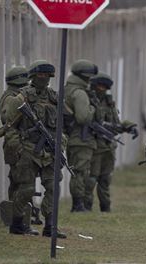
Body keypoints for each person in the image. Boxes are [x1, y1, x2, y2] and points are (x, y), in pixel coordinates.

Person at [0, 61, 67, 238]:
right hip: (28, 150)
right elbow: (10, 127)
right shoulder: (20, 98)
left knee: (53, 186)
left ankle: (51, 225)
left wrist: (60, 144)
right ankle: (18, 222)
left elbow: (63, 125)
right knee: (26, 189)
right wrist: (18, 148)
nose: (43, 79)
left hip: (49, 151)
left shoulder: (55, 98)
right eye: (40, 75)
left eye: (46, 76)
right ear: (32, 77)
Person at [84, 73, 138, 212]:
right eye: (100, 86)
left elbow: (117, 123)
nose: (102, 89)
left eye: (105, 87)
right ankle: (86, 207)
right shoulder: (88, 102)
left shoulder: (109, 103)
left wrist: (130, 126)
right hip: (96, 147)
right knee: (91, 179)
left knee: (105, 180)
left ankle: (105, 208)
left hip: (109, 147)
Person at [0, 66, 40, 236]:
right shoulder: (12, 98)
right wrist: (20, 148)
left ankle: (19, 222)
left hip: (14, 146)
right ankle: (19, 222)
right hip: (17, 146)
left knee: (17, 184)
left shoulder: (10, 96)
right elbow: (10, 123)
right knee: (25, 185)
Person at [64, 59, 98, 212]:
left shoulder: (67, 89)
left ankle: (78, 204)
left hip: (72, 137)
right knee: (80, 172)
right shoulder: (79, 93)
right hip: (80, 138)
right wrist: (92, 109)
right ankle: (78, 205)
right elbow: (83, 117)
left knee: (77, 170)